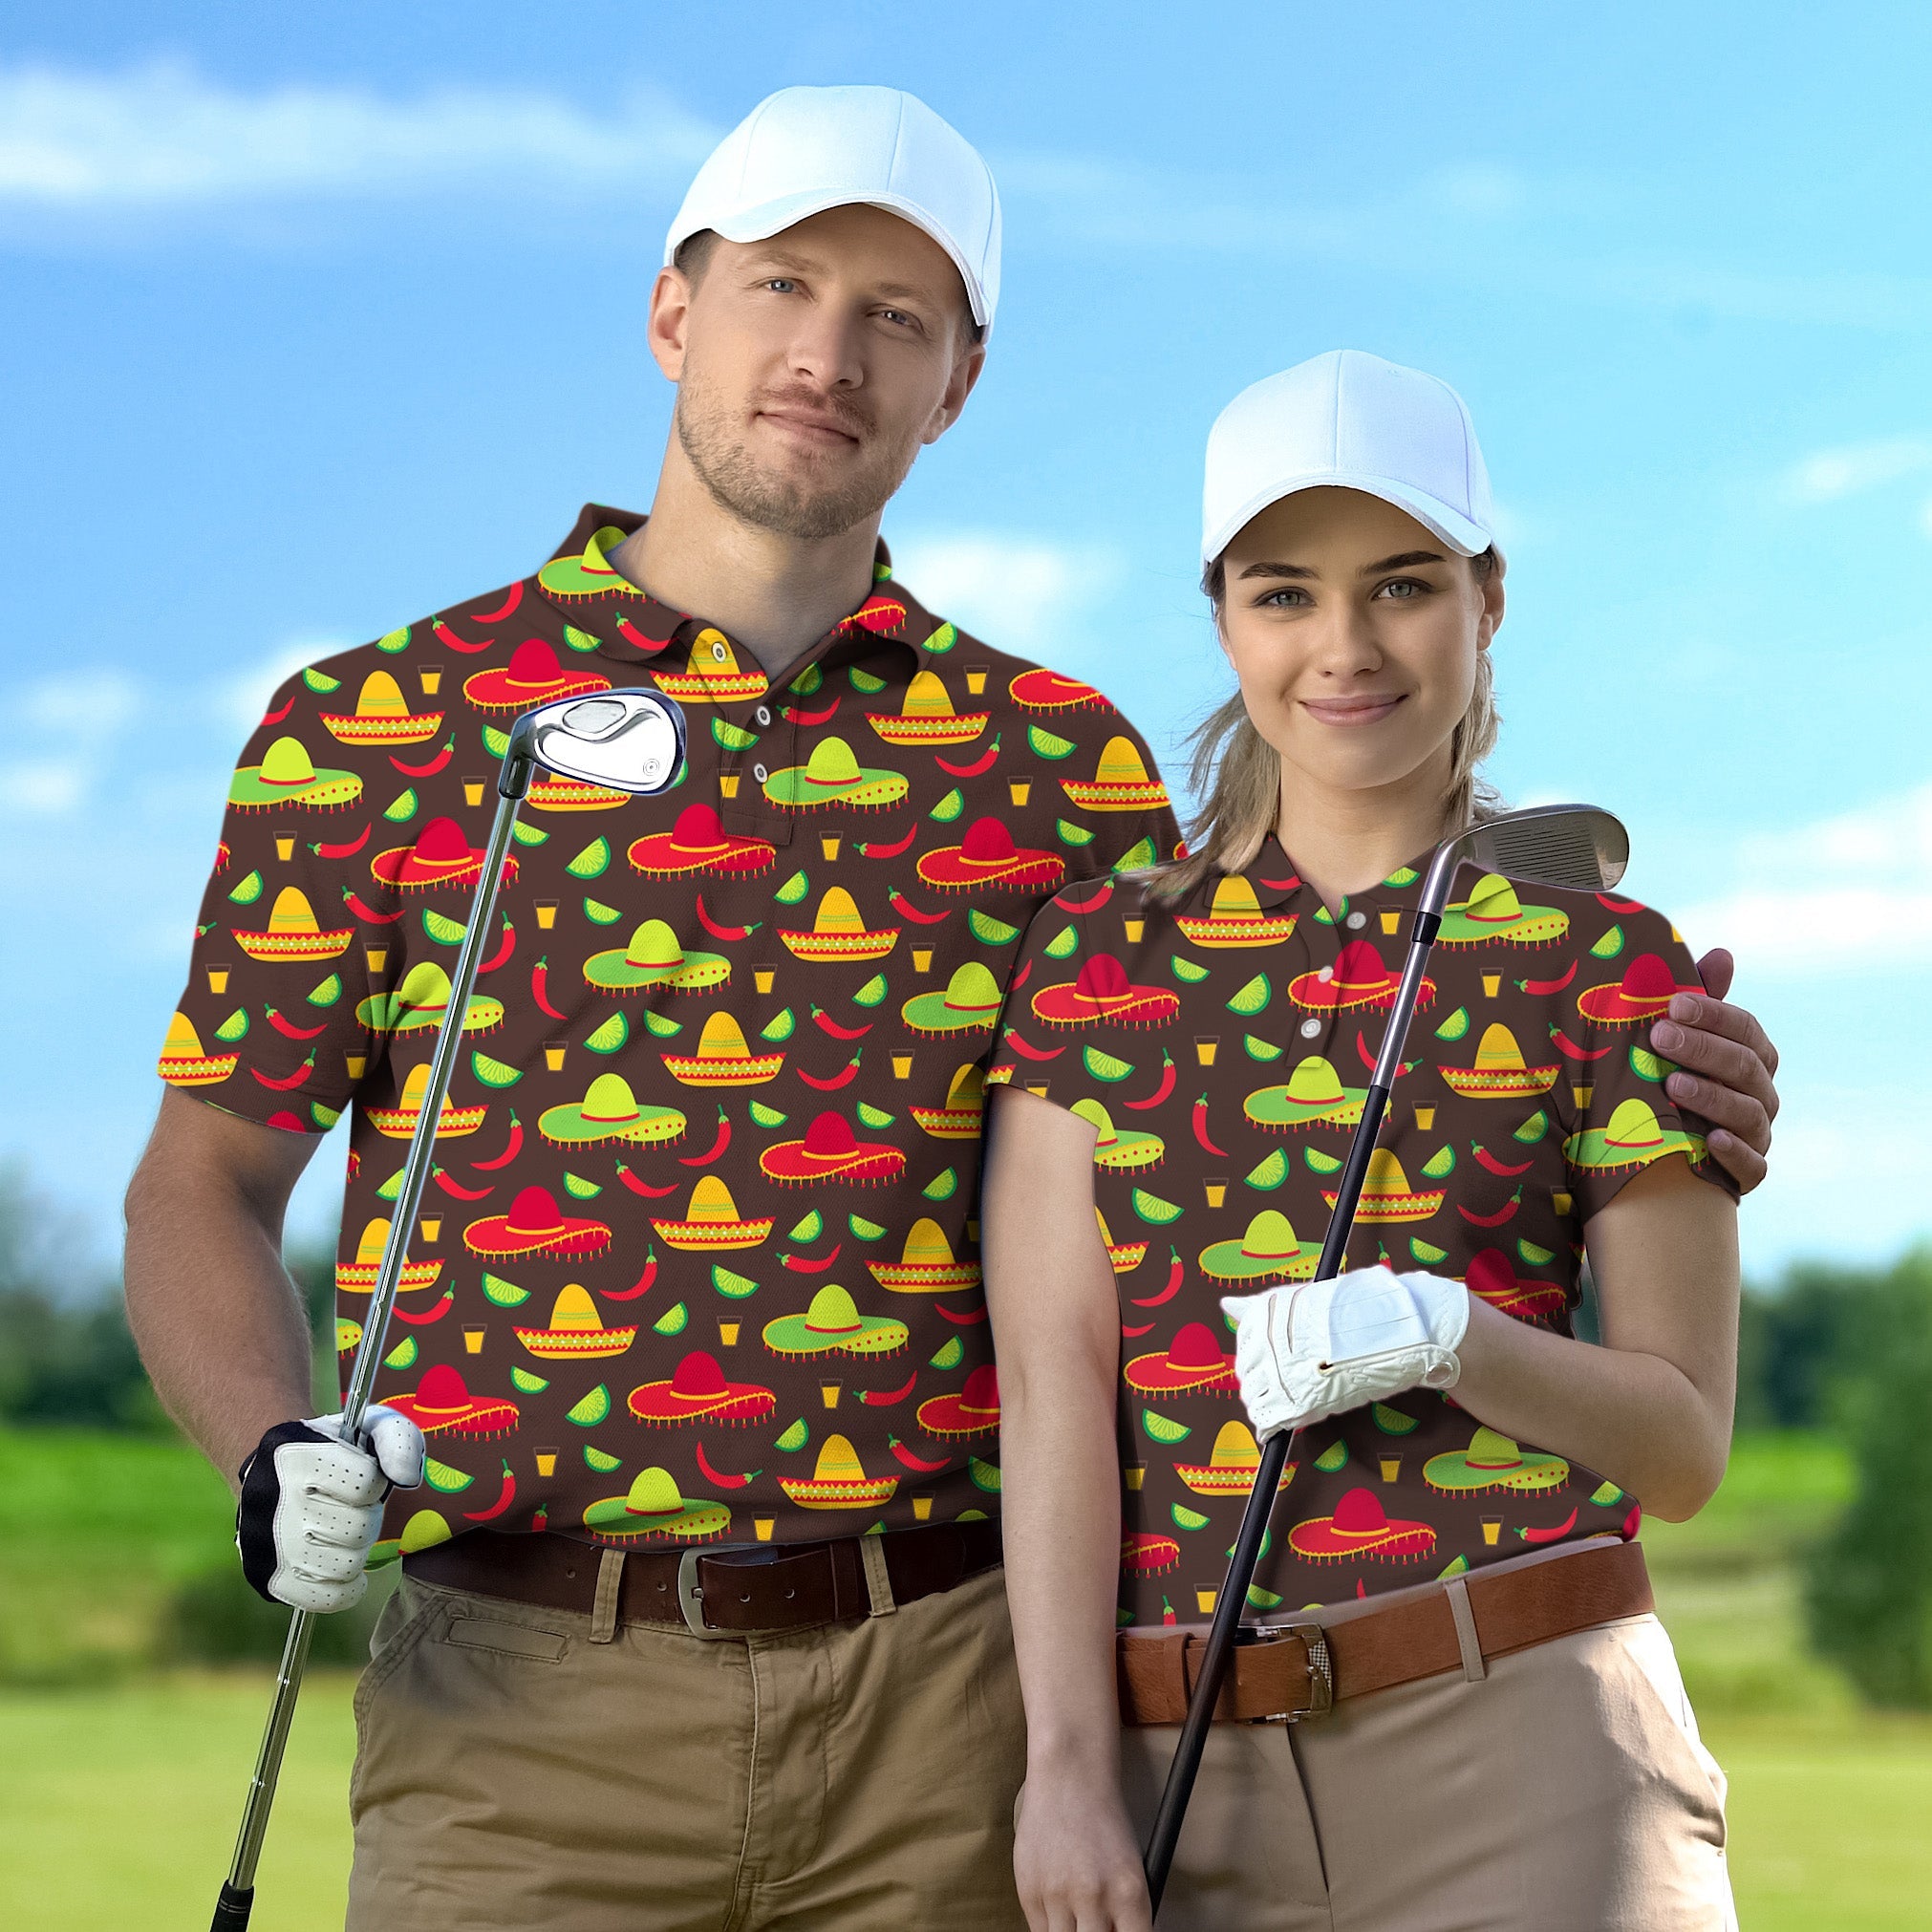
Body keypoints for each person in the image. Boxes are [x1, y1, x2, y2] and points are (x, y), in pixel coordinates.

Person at [119, 84, 1780, 1928]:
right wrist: (270, 1450)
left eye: (894, 317)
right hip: (516, 1707)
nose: (826, 355)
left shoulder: (1058, 767)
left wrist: (1640, 1053)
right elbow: (200, 1183)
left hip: (949, 1701)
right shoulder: (383, 724)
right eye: (780, 287)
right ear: (673, 311)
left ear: (959, 379)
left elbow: (1260, 1072)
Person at [984, 351, 1749, 1930]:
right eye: (1283, 594)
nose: (1343, 647)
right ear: (1220, 618)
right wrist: (1062, 1763)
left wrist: (1446, 1335)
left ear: (1485, 599)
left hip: (1532, 1735)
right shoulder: (1094, 963)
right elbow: (1056, 1388)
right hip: (1184, 1768)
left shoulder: (1601, 959)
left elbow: (1677, 1449)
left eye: (1400, 585)